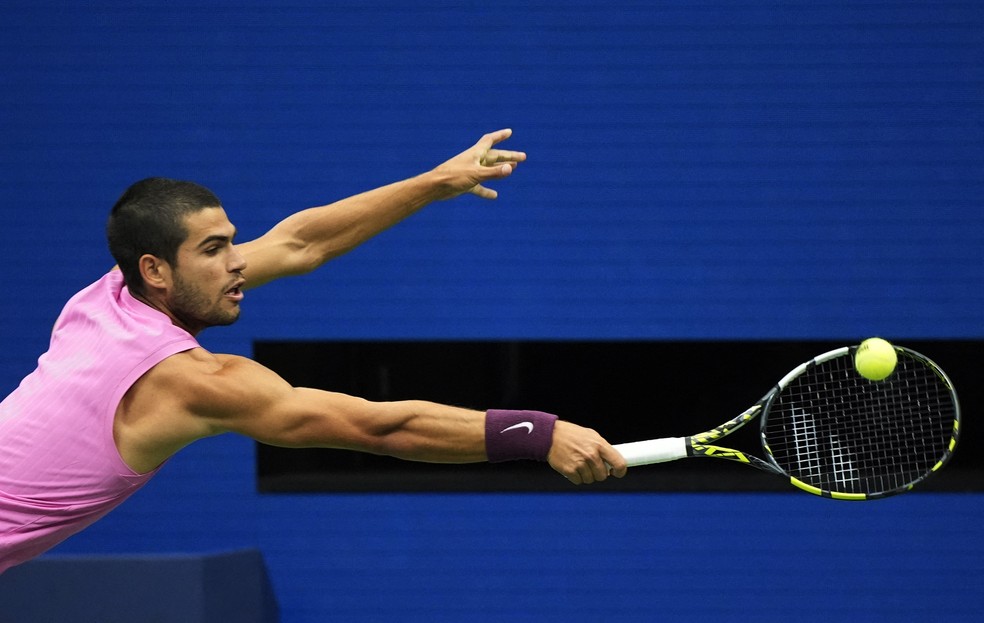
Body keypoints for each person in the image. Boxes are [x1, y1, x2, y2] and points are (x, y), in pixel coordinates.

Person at [0, 129, 628, 574]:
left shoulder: (106, 296)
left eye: (231, 242)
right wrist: (535, 434)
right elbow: (381, 426)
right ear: (155, 270)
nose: (237, 263)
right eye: (213, 251)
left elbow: (301, 243)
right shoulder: (189, 381)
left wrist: (439, 182)